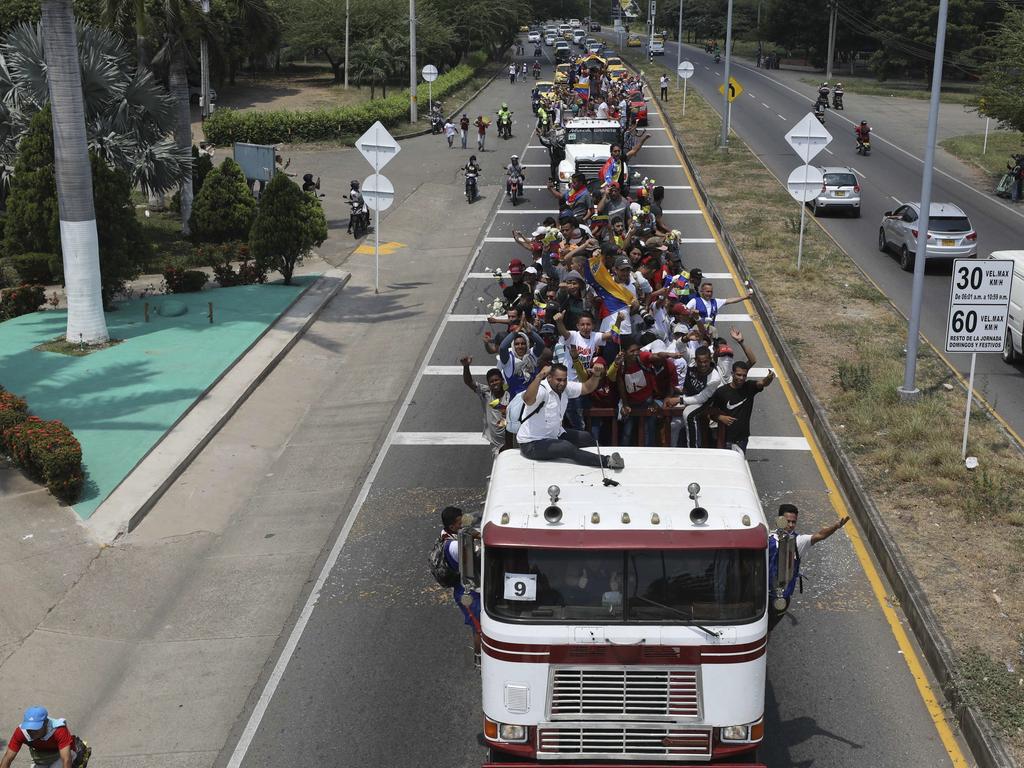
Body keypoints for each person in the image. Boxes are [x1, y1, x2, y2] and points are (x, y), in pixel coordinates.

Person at [517, 363, 624, 469]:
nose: (562, 383)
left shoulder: (565, 388)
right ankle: (607, 461)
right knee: (566, 447)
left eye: (564, 379)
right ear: (549, 377)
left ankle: (596, 456)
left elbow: (586, 388)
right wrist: (539, 376)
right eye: (559, 380)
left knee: (586, 437)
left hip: (554, 434)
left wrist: (596, 375)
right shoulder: (541, 390)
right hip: (532, 443)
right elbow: (528, 399)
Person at [768, 503, 850, 631]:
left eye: (793, 522)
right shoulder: (767, 538)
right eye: (787, 521)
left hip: (780, 598)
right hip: (761, 594)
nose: (790, 525)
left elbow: (820, 535)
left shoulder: (798, 541)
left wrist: (835, 527)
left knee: (768, 628)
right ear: (780, 520)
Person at [436, 506, 481, 657]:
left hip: (473, 586)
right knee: (479, 629)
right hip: (467, 591)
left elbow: (471, 522)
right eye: (460, 522)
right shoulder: (455, 546)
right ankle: (479, 659)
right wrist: (478, 535)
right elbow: (477, 557)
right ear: (452, 526)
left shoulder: (449, 534)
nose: (464, 523)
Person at [709, 361, 775, 451]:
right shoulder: (721, 392)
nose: (741, 378)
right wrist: (720, 417)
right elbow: (711, 412)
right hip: (725, 438)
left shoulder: (750, 387)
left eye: (744, 375)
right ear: (732, 374)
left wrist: (769, 377)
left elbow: (762, 383)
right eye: (739, 375)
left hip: (742, 439)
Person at [0, 706, 87, 768]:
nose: (31, 732)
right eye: (29, 727)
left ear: (45, 723)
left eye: (35, 728)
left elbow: (66, 760)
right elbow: (8, 758)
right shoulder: (21, 732)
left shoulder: (59, 730)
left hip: (64, 755)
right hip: (43, 757)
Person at [461, 357, 510, 457]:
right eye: (491, 382)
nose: (494, 383)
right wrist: (466, 366)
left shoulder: (510, 394)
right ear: (488, 384)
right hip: (496, 445)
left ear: (502, 381)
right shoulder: (486, 393)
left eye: (496, 380)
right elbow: (469, 382)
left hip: (512, 441)